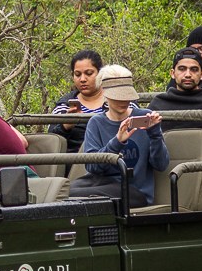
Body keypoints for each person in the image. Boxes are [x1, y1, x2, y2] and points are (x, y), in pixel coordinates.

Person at [69, 65, 168, 208]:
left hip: (134, 192)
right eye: (118, 97)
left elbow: (161, 164)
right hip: (103, 185)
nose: (123, 101)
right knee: (64, 191)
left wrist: (155, 134)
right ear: (104, 92)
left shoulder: (143, 116)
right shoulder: (96, 122)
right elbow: (92, 167)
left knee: (80, 195)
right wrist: (117, 142)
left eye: (127, 96)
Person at [146, 47, 202, 160]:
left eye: (194, 69)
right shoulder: (158, 104)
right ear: (172, 73)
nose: (188, 74)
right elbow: (148, 144)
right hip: (165, 166)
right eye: (182, 69)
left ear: (201, 74)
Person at [49, 49, 105, 152]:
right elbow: (51, 140)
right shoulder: (64, 105)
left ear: (100, 73)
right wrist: (65, 126)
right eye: (78, 74)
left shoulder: (118, 100)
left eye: (89, 73)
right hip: (75, 162)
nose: (83, 79)